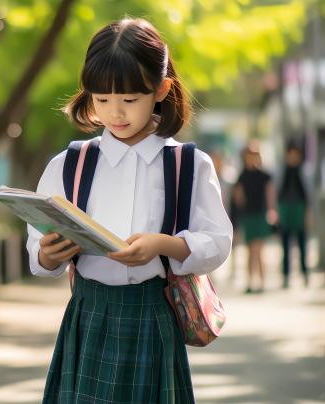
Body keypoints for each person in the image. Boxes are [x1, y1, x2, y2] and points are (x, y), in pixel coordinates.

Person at [25, 19, 232, 403]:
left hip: (152, 316)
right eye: (101, 100)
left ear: (161, 89)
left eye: (129, 100)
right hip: (87, 315)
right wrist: (46, 253)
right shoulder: (71, 163)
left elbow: (217, 241)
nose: (114, 113)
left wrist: (164, 245)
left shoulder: (188, 164)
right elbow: (39, 245)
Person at [233, 141, 277, 293]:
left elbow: (270, 194)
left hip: (260, 215)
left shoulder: (264, 176)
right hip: (249, 216)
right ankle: (252, 282)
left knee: (258, 250)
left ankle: (261, 283)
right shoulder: (242, 176)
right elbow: (238, 197)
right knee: (251, 250)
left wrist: (272, 211)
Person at [278, 142, 309, 288]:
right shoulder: (281, 170)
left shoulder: (304, 171)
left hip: (299, 209)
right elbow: (278, 192)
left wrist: (309, 214)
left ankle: (305, 274)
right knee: (285, 245)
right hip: (285, 209)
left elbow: (308, 196)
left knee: (302, 244)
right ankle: (285, 276)